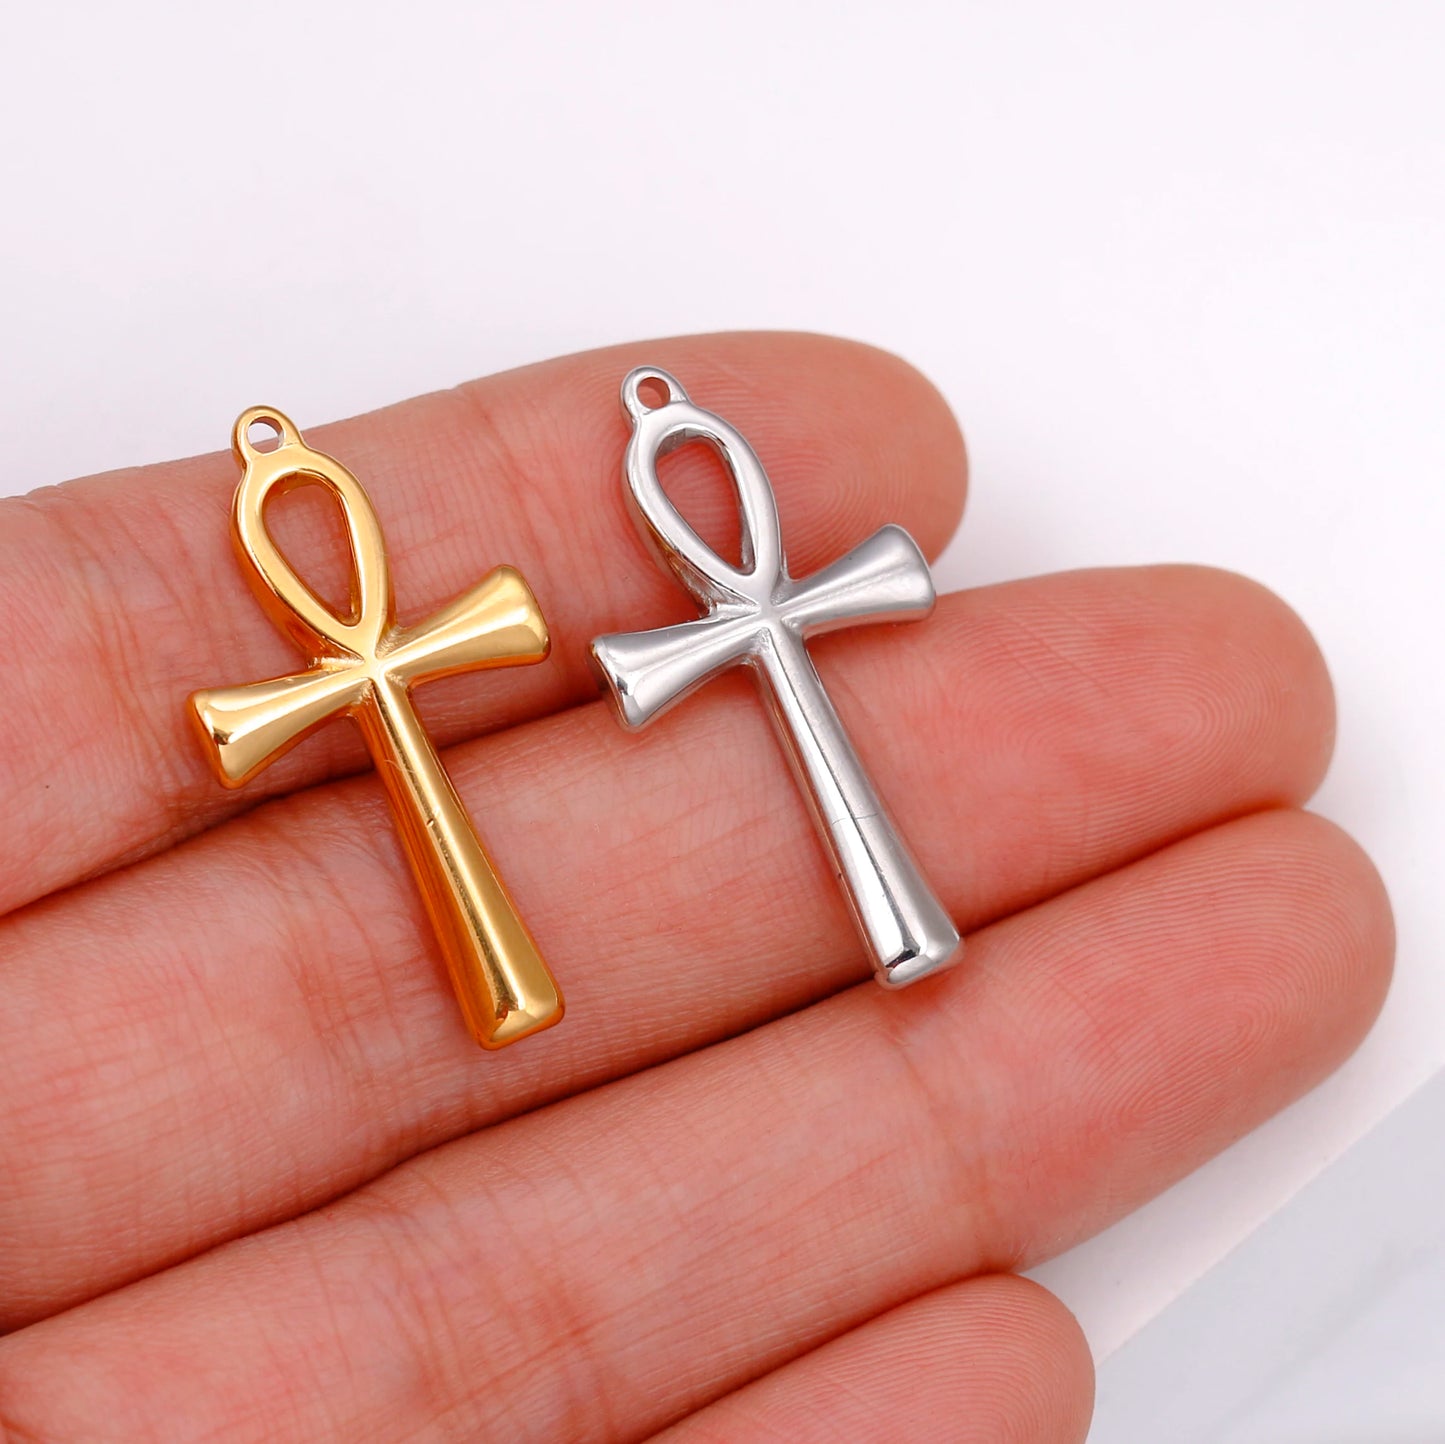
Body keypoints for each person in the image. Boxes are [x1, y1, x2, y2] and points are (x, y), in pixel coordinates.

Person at [0, 332, 1393, 1442]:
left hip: (744, 615)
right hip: (501, 663)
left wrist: (756, 600)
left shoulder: (758, 590)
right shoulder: (386, 650)